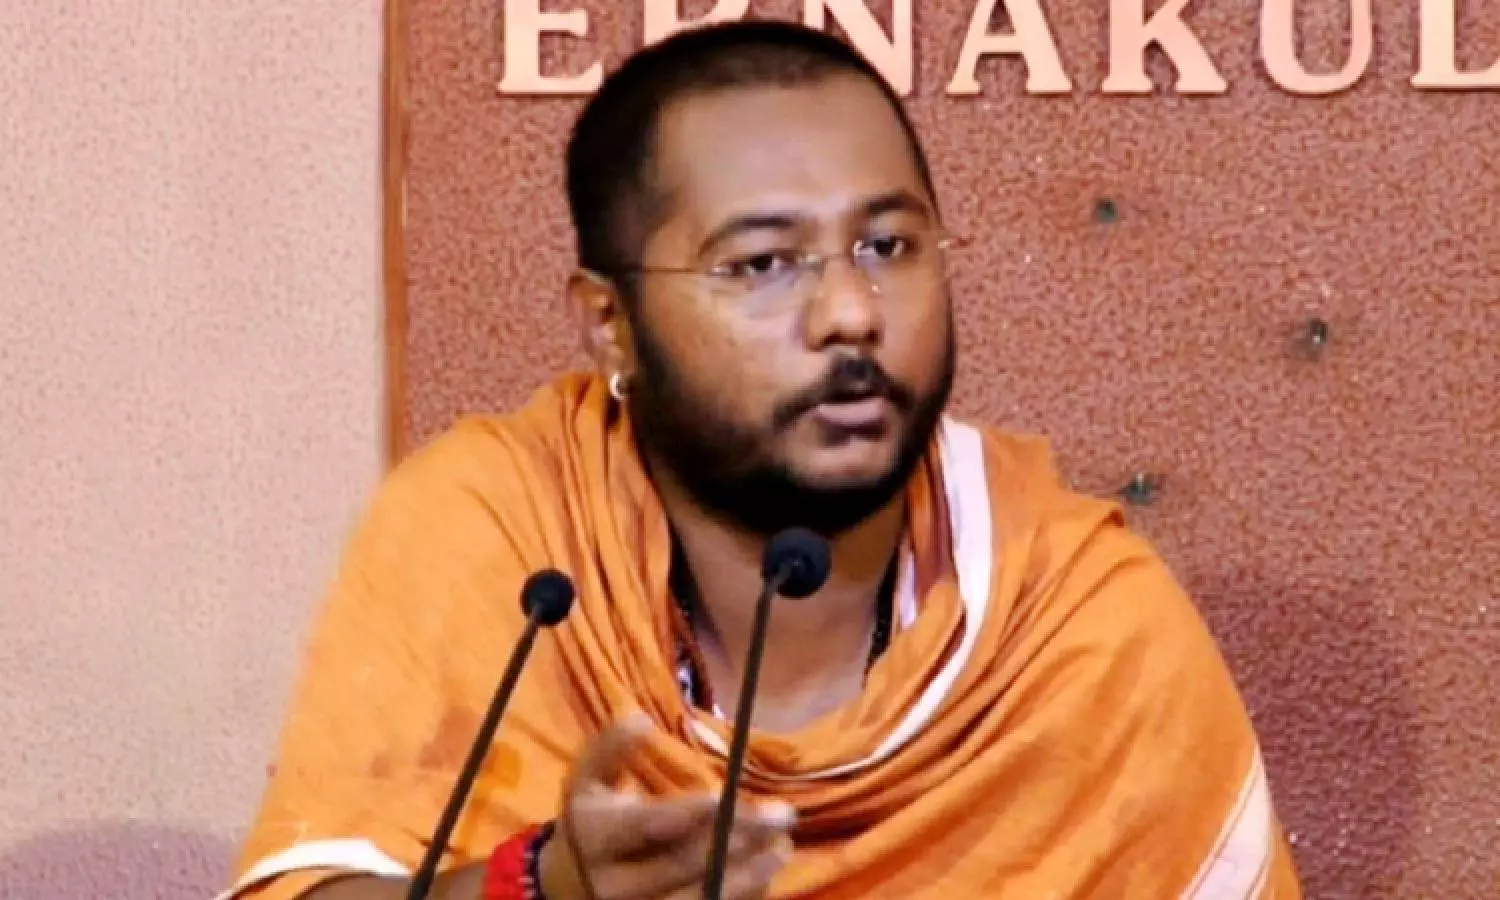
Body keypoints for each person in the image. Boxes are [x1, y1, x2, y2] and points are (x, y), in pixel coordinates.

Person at [220, 19, 1301, 900]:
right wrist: (542, 888)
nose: (850, 313)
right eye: (764, 263)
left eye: (888, 246)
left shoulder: (1075, 621)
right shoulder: (496, 538)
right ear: (610, 324)